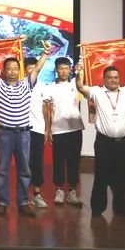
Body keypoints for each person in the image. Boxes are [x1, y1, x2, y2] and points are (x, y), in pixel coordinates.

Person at [0, 37, 50, 217]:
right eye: (9, 68)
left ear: (20, 71)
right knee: (3, 170)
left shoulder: (26, 84)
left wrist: (45, 53)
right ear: (4, 71)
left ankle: (23, 202)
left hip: (24, 134)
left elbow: (37, 68)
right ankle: (2, 203)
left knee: (24, 170)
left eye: (15, 68)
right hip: (5, 134)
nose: (12, 71)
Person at [75, 62, 125, 218]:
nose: (113, 80)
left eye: (116, 77)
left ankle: (122, 207)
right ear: (104, 79)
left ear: (119, 78)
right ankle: (97, 208)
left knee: (123, 176)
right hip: (104, 142)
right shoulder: (97, 92)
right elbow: (80, 87)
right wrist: (78, 74)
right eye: (109, 77)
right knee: (101, 175)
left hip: (123, 142)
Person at [45, 57, 84, 207]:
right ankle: (59, 190)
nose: (64, 71)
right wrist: (48, 129)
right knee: (58, 161)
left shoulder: (75, 83)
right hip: (58, 130)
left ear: (70, 69)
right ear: (56, 70)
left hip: (75, 128)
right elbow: (47, 109)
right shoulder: (50, 87)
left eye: (67, 68)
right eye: (61, 68)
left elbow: (80, 78)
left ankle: (72, 191)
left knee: (74, 160)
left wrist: (80, 69)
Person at [23, 56, 51, 209]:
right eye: (29, 67)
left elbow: (46, 109)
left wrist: (47, 129)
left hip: (38, 129)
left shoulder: (43, 87)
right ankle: (23, 196)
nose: (32, 70)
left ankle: (37, 194)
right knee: (24, 163)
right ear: (25, 69)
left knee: (37, 162)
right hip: (22, 130)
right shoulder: (20, 85)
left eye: (35, 67)